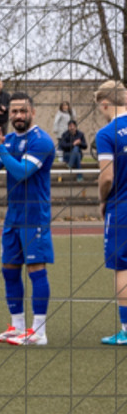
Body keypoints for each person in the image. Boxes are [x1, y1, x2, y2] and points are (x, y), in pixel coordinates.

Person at [0, 92, 55, 346]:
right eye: (14, 111)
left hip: (34, 216)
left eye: (23, 111)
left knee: (36, 270)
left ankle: (39, 332)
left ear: (32, 112)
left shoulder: (41, 141)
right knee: (9, 270)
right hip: (13, 217)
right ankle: (18, 327)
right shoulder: (10, 139)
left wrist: (0, 148)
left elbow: (22, 172)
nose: (18, 116)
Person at [95, 80, 127, 345]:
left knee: (122, 267)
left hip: (122, 207)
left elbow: (107, 177)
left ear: (104, 103)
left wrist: (101, 200)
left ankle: (126, 329)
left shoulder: (107, 133)